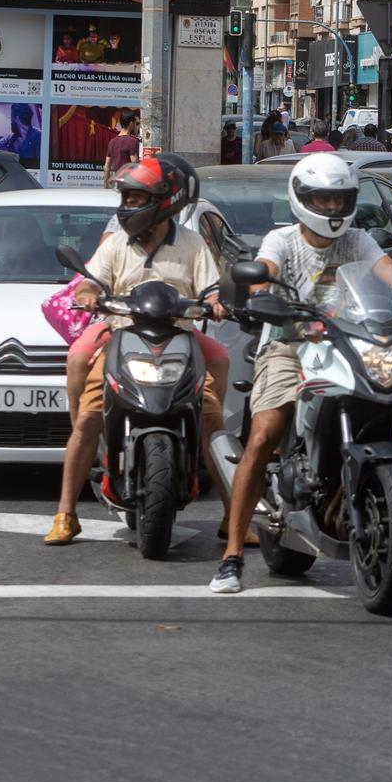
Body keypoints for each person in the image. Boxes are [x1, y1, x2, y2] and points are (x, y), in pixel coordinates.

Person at [212, 153, 392, 593]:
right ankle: (233, 554)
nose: (333, 208)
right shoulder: (281, 240)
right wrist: (266, 298)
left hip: (350, 343)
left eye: (340, 199)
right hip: (291, 344)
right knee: (264, 434)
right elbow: (264, 276)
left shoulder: (358, 241)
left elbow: (388, 272)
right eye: (324, 199)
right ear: (302, 199)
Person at [46, 156, 230, 545]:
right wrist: (88, 294)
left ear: (164, 201)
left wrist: (216, 301)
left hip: (180, 336)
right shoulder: (115, 245)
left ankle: (235, 514)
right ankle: (66, 512)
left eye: (136, 198)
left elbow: (211, 287)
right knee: (87, 418)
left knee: (216, 404)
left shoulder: (192, 243)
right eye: (126, 198)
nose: (128, 205)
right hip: (122, 334)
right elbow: (90, 282)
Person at [101, 112, 141, 188]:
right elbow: (134, 164)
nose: (137, 126)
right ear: (131, 123)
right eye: (136, 123)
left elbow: (106, 167)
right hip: (128, 184)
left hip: (116, 183)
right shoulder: (132, 141)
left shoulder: (112, 141)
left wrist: (106, 187)